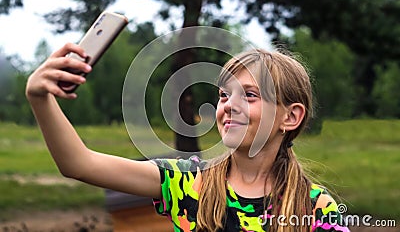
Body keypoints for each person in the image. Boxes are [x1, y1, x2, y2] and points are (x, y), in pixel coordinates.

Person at [26, 43, 350, 232]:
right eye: (224, 95)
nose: (229, 106)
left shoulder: (316, 207)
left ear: (290, 117)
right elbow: (79, 164)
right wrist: (40, 98)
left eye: (250, 96)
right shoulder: (188, 181)